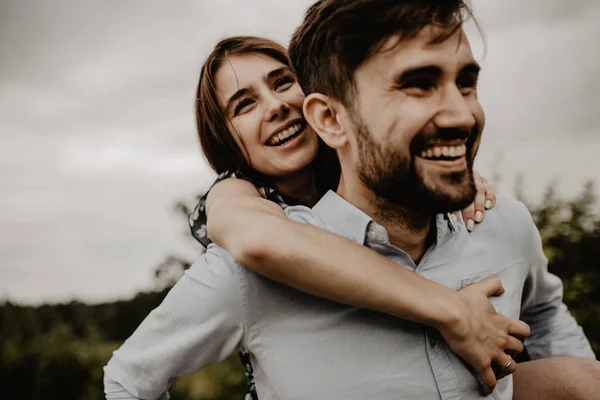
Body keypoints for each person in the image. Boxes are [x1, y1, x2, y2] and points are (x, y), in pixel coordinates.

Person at [104, 1, 597, 399]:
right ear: (331, 117)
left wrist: (449, 171)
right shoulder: (240, 220)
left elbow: (547, 313)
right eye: (245, 104)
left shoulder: (494, 219)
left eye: (282, 83)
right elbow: (260, 243)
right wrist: (452, 309)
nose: (276, 106)